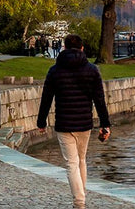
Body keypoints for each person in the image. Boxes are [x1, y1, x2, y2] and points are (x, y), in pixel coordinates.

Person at [36, 34, 111, 209]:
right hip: (84, 121)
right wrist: (105, 123)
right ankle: (81, 196)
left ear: (64, 47)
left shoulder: (55, 71)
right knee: (82, 160)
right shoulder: (92, 70)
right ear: (82, 48)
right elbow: (99, 99)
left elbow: (46, 98)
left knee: (71, 163)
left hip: (64, 122)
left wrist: (41, 122)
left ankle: (79, 201)